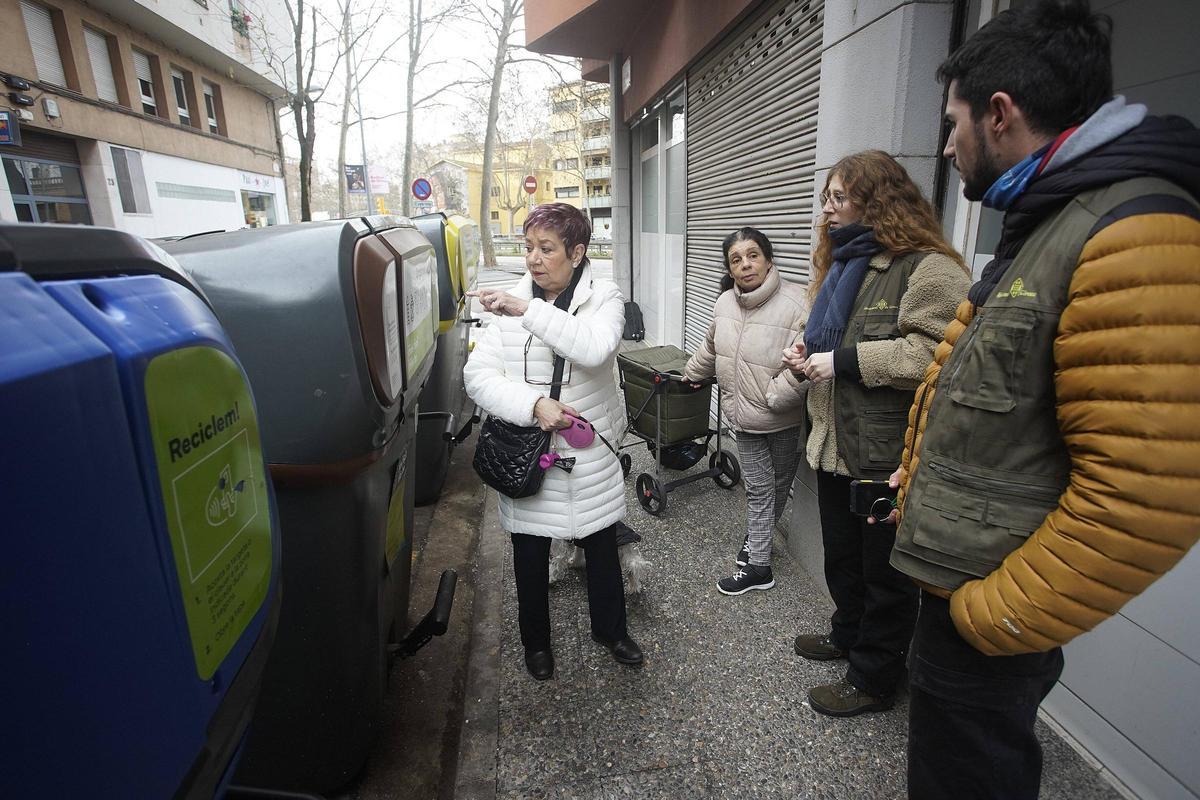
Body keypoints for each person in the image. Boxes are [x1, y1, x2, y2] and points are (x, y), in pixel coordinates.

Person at [880, 2, 1200, 796]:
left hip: (990, 611)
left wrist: (993, 617)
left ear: (1000, 114)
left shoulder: (1133, 230)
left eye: (952, 125)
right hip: (965, 590)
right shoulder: (1057, 216)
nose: (947, 147)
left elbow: (1146, 495)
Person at [769, 151, 970, 718]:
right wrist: (803, 356)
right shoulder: (843, 267)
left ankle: (875, 678)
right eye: (826, 198)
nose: (828, 210)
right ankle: (848, 634)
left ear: (877, 199)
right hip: (836, 446)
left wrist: (843, 361)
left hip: (886, 453)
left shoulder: (927, 268)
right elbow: (827, 343)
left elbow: (938, 354)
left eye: (839, 198)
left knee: (886, 576)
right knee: (844, 560)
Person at [463, 203, 643, 681]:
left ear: (577, 252)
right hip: (529, 453)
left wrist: (528, 310)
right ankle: (536, 643)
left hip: (589, 452)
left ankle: (612, 631)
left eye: (547, 249)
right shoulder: (504, 308)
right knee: (528, 554)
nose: (534, 259)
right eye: (528, 248)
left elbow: (594, 348)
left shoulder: (604, 299)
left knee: (602, 546)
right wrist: (533, 404)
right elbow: (478, 378)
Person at [683, 227, 808, 596]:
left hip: (783, 416)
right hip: (745, 418)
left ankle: (756, 547)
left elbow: (807, 363)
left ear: (768, 259)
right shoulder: (725, 302)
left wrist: (774, 396)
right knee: (758, 489)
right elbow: (711, 347)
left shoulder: (798, 302)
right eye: (736, 259)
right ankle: (759, 565)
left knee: (778, 485)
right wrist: (691, 375)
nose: (745, 265)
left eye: (753, 255)